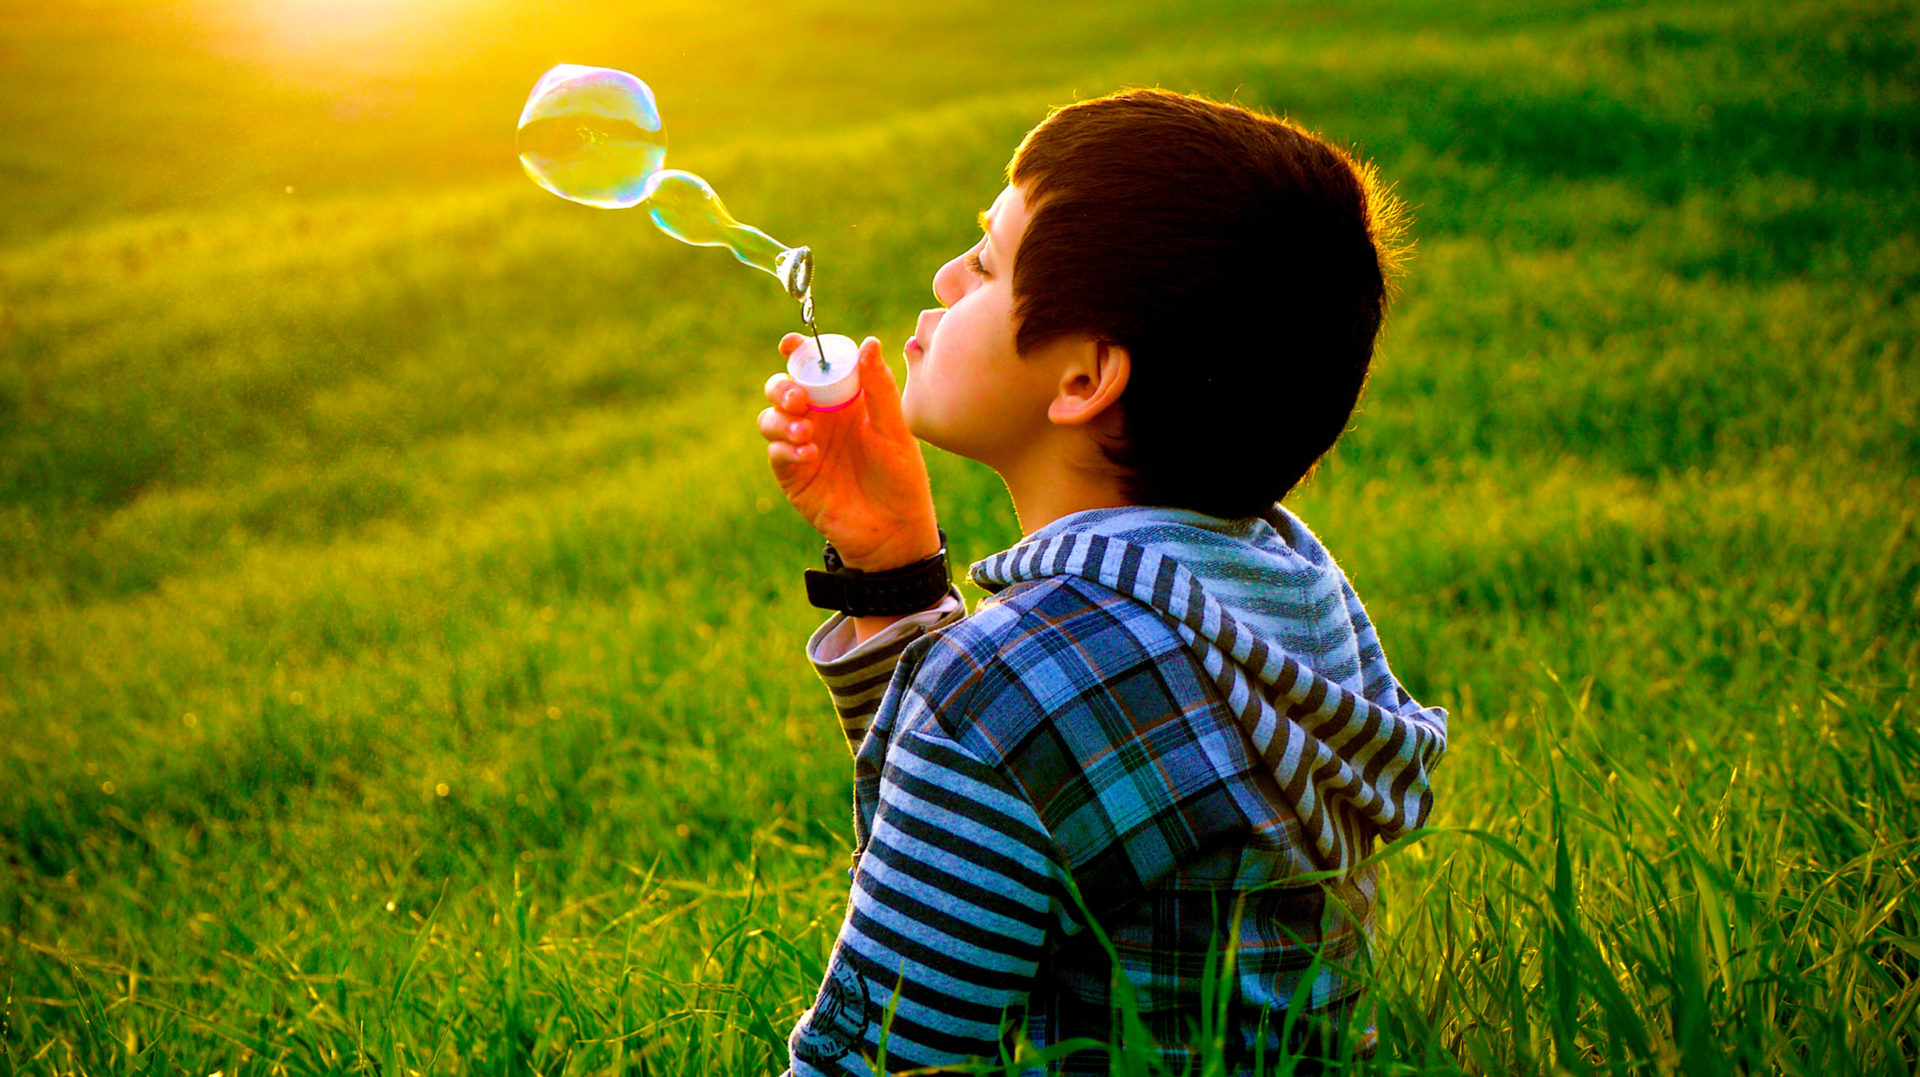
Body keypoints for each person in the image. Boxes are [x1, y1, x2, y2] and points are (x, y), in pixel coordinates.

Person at [755, 88, 1446, 1075]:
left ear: (1084, 378)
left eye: (986, 262)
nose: (945, 277)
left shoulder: (1009, 689)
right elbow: (1020, 814)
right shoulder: (1288, 592)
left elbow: (881, 1061)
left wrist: (953, 668)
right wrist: (892, 573)